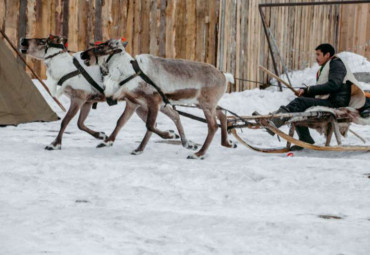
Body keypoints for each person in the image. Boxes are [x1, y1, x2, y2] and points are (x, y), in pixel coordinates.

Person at [267, 43, 366, 150]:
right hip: (331, 100)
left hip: (335, 103)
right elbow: (324, 89)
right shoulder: (330, 65)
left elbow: (334, 85)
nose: (316, 58)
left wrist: (309, 90)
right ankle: (298, 134)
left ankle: (275, 121)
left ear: (327, 55)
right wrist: (305, 92)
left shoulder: (336, 64)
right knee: (300, 104)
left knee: (299, 103)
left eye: (318, 54)